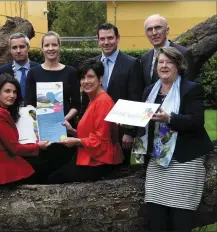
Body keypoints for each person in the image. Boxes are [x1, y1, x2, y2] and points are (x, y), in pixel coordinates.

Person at [133, 47, 214, 231]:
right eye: (160, 62)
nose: (164, 65)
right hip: (157, 159)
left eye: (169, 62)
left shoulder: (191, 89)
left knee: (180, 219)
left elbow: (196, 122)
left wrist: (169, 118)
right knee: (156, 217)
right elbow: (145, 122)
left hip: (185, 160)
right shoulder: (149, 91)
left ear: (178, 65)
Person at [48, 59, 124, 184]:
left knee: (53, 177)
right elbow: (91, 134)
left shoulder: (103, 102)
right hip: (92, 156)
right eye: (82, 78)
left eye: (90, 77)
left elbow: (101, 141)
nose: (86, 82)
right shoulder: (94, 100)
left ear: (100, 79)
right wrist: (72, 131)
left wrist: (77, 141)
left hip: (99, 162)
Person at [82, 23, 145, 165]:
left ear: (118, 39)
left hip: (120, 133)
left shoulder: (132, 63)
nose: (106, 42)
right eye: (102, 39)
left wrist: (129, 131)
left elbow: (135, 99)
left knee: (119, 172)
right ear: (97, 40)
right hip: (95, 132)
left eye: (110, 38)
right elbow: (86, 98)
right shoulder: (92, 63)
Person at [0, 74, 50, 187]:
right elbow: (15, 149)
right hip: (2, 169)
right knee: (47, 166)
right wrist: (38, 146)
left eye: (14, 92)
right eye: (7, 91)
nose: (12, 95)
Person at [24, 31, 81, 172]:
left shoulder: (71, 72)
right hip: (42, 131)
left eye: (54, 44)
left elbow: (76, 105)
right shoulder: (33, 73)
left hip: (65, 129)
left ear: (59, 47)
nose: (51, 48)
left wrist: (62, 120)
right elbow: (28, 103)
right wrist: (38, 120)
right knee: (43, 168)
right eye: (47, 45)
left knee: (64, 168)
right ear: (42, 48)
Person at [141, 14, 195, 86]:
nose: (154, 33)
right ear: (146, 34)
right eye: (150, 29)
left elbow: (189, 87)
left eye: (158, 28)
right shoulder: (145, 58)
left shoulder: (183, 53)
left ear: (167, 30)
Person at [0, 33, 39, 97]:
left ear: (28, 48)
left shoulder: (39, 69)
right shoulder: (1, 72)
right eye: (14, 47)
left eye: (22, 47)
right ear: (10, 50)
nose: (18, 51)